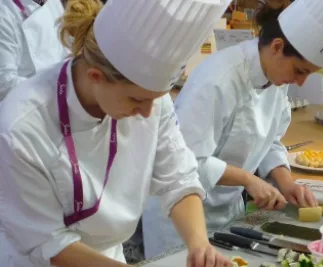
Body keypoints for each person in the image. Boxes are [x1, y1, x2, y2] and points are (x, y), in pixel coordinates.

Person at [142, 0, 323, 258]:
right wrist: (248, 179)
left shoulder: (275, 76)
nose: (301, 82)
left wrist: (286, 182)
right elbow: (185, 163)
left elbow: (271, 140)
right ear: (277, 47)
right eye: (300, 71)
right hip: (178, 218)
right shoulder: (218, 79)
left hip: (226, 210)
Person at [0, 0, 233, 266]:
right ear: (96, 76)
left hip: (109, 257)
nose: (147, 113)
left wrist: (199, 244)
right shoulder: (21, 125)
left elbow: (178, 178)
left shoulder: (151, 99)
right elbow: (48, 242)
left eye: (155, 100)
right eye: (136, 100)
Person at [0, 0, 69, 100]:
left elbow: (65, 50)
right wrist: (53, 88)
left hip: (57, 97)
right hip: (22, 106)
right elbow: (4, 83)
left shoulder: (53, 3)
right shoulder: (4, 13)